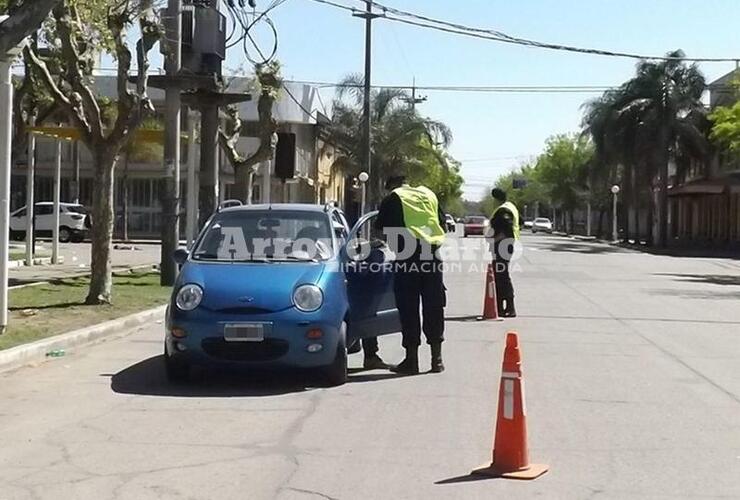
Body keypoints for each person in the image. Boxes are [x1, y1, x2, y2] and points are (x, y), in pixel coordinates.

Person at [374, 175, 448, 374]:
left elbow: (379, 230)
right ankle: (437, 359)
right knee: (434, 306)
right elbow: (443, 224)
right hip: (432, 258)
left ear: (391, 186)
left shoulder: (393, 198)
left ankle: (412, 360)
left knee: (409, 308)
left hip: (407, 260)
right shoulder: (428, 194)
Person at [487, 187, 520, 317]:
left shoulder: (503, 210)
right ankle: (501, 307)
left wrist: (495, 238)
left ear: (496, 199)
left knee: (502, 277)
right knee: (500, 276)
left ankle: (509, 307)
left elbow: (507, 229)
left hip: (502, 247)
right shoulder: (510, 207)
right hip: (505, 247)